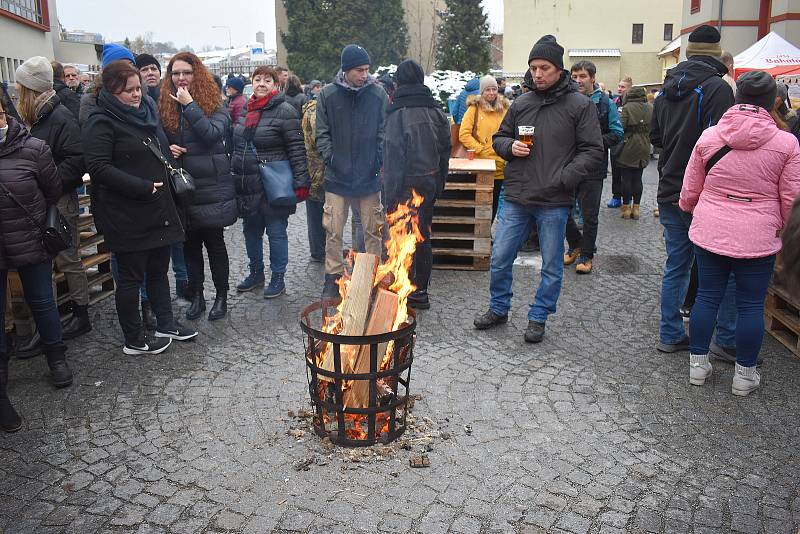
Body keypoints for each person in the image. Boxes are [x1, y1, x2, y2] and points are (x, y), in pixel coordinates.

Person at [474, 34, 604, 343]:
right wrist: (510, 145)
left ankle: (538, 316)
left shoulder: (580, 105)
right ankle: (498, 308)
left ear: (559, 69)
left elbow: (593, 150)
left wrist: (565, 177)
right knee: (500, 257)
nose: (537, 73)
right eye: (533, 67)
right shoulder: (522, 102)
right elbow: (500, 138)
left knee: (551, 265)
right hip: (517, 195)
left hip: (554, 200)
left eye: (544, 67)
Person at [679, 71, 800, 395]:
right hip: (758, 235)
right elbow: (791, 198)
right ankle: (744, 376)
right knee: (750, 305)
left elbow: (691, 189)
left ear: (738, 98)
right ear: (771, 101)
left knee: (706, 297)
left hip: (711, 229)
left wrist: (694, 211)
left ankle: (697, 368)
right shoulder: (786, 142)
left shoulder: (710, 137)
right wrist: (784, 233)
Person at [83, 60, 197, 354]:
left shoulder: (147, 111)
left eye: (138, 88)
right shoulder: (101, 120)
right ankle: (134, 339)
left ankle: (165, 322)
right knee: (132, 278)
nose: (137, 94)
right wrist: (140, 185)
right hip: (126, 211)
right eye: (129, 90)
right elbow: (98, 167)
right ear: (111, 90)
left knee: (159, 270)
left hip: (158, 206)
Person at [650, 24, 736, 354]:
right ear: (717, 54)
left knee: (677, 265)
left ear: (688, 52)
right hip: (705, 193)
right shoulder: (718, 89)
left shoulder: (665, 88)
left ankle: (670, 333)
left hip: (670, 185)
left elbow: (656, 138)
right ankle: (721, 339)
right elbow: (722, 144)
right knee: (719, 269)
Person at [0, 97, 73, 434]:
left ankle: (56, 358)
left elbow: (53, 190)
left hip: (30, 240)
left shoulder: (34, 148)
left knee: (43, 304)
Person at [15, 56, 92, 341]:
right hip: (40, 200)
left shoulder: (58, 115)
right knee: (46, 262)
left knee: (68, 257)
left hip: (58, 200)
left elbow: (77, 159)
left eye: (21, 86)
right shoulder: (37, 114)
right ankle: (51, 319)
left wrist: (49, 183)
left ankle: (81, 314)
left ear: (30, 88)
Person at [159, 52, 237, 321]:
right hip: (183, 188)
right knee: (189, 246)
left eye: (187, 73)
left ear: (197, 75)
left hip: (211, 187)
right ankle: (197, 297)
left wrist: (190, 104)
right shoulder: (166, 106)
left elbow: (212, 134)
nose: (181, 78)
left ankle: (222, 296)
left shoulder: (215, 104)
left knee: (215, 244)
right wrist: (168, 149)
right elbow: (158, 141)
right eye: (176, 73)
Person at [316, 44, 388, 299]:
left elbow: (383, 132)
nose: (364, 75)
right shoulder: (327, 95)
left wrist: (376, 160)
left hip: (369, 177)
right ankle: (332, 278)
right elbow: (321, 133)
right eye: (359, 70)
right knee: (333, 230)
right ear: (346, 70)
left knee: (372, 230)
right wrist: (332, 158)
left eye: (367, 70)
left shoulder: (378, 95)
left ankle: (373, 278)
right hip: (337, 176)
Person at [232, 66, 310, 298]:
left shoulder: (285, 110)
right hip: (249, 184)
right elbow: (238, 145)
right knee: (251, 232)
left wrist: (301, 182)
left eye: (268, 80)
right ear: (252, 83)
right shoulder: (246, 110)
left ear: (276, 85)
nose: (262, 83)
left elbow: (297, 148)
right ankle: (256, 273)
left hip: (275, 184)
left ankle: (278, 277)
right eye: (258, 79)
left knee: (276, 233)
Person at [383, 59, 451, 309]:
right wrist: (439, 183)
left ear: (398, 82)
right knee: (423, 235)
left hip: (404, 187)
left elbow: (393, 159)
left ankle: (403, 288)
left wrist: (388, 198)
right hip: (429, 183)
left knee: (400, 235)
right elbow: (445, 152)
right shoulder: (436, 111)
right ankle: (420, 291)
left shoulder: (397, 114)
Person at [566, 61, 624, 274]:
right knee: (562, 210)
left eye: (582, 76)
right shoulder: (566, 100)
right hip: (568, 165)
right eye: (575, 77)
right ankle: (576, 243)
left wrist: (593, 142)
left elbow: (618, 133)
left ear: (592, 78)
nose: (578, 81)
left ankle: (586, 254)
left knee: (590, 215)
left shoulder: (605, 102)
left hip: (593, 166)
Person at [459, 75, 509, 219]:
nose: (492, 93)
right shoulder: (474, 109)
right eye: (488, 90)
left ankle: (488, 235)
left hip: (500, 164)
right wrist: (480, 148)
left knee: (493, 203)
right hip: (480, 164)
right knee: (478, 202)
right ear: (482, 92)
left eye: (494, 89)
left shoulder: (504, 109)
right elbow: (464, 133)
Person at [617, 85, 653, 220]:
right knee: (638, 178)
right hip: (644, 145)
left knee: (626, 178)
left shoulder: (627, 108)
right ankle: (636, 209)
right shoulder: (650, 107)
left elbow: (620, 127)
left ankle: (626, 209)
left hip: (629, 145)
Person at [301, 97, 326, 263]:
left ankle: (318, 249)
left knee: (316, 210)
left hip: (313, 168)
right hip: (318, 169)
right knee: (318, 210)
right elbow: (319, 141)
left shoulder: (310, 109)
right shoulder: (316, 111)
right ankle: (319, 249)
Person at [607, 76, 633, 208]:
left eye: (622, 87)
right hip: (616, 143)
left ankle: (629, 198)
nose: (619, 89)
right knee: (616, 171)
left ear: (629, 88)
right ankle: (616, 196)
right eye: (619, 86)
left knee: (628, 174)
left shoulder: (632, 104)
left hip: (629, 144)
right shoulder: (615, 101)